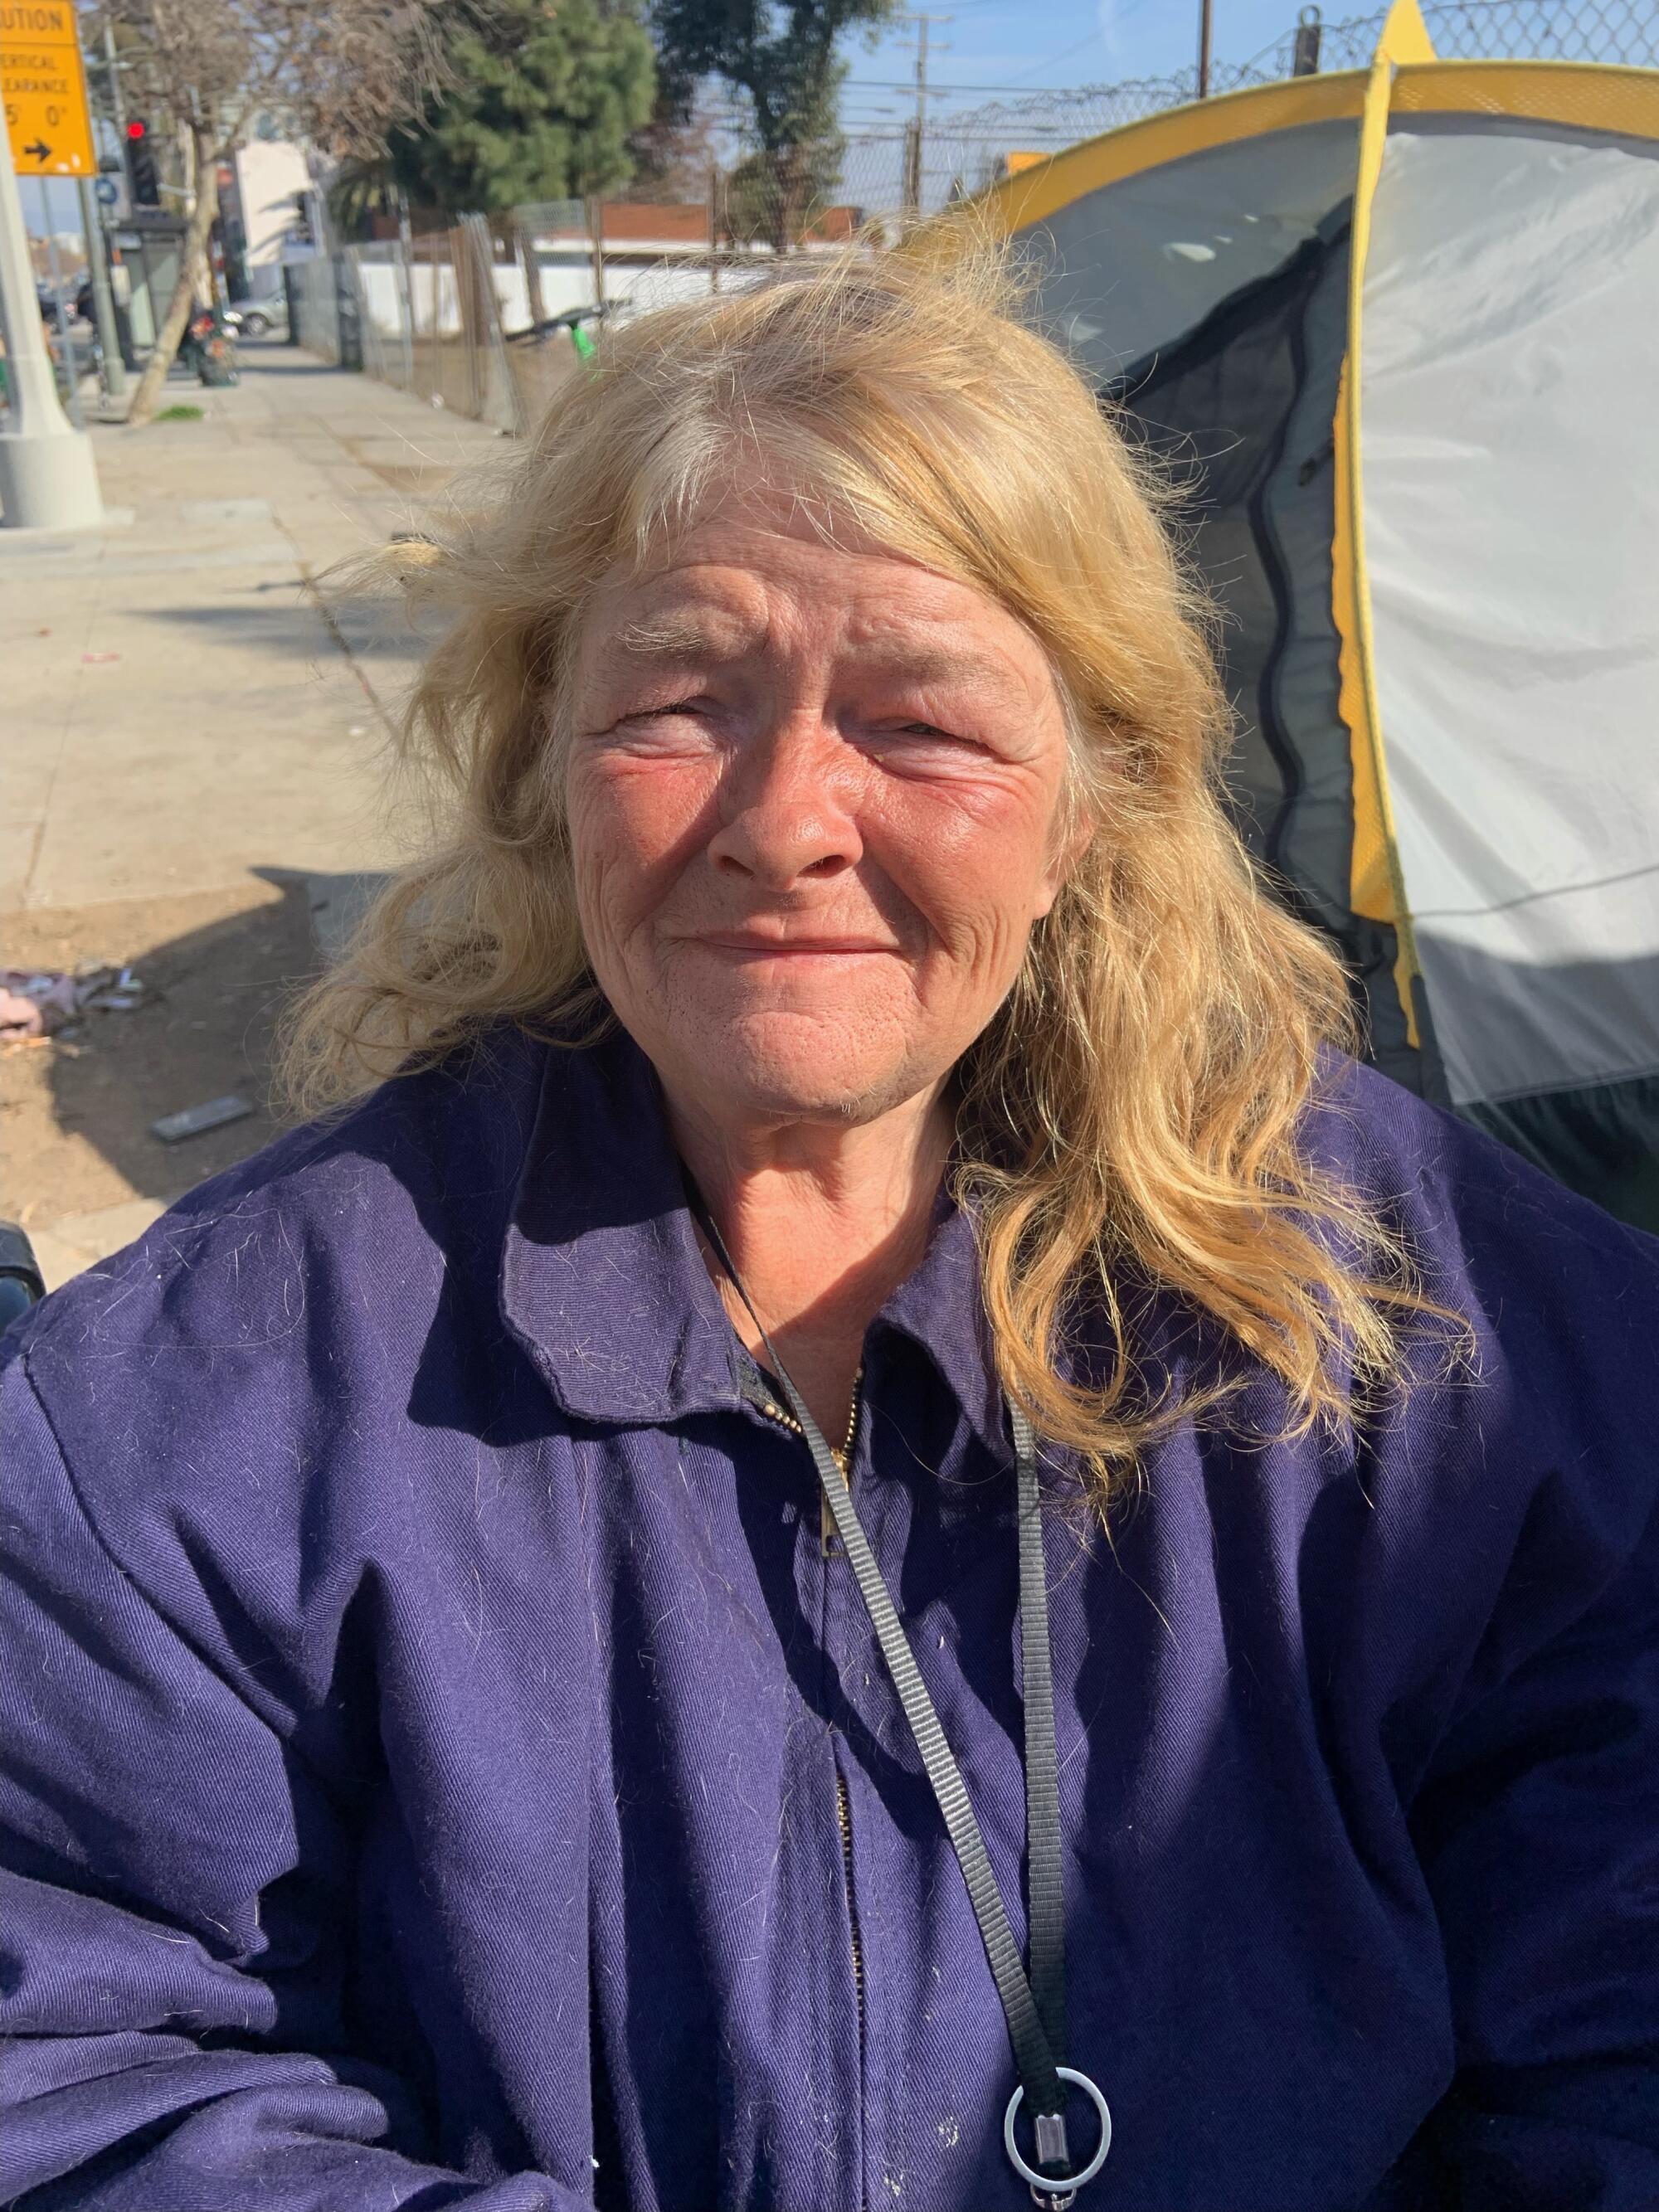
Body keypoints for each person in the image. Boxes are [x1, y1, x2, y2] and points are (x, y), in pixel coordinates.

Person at [2, 246, 1656, 2212]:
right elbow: (78, 2050)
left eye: (922, 720)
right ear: (543, 760)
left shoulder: (1450, 1341)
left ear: (1095, 795)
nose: (786, 817)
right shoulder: (196, 1411)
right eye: (682, 699)